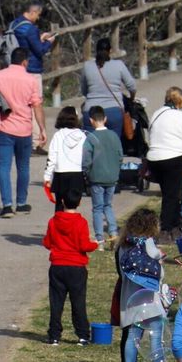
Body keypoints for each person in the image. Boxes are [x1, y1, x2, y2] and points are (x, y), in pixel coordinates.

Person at [0, 48, 47, 218]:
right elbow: (36, 106)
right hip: (24, 129)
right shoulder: (31, 80)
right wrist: (42, 129)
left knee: (4, 167)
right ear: (25, 62)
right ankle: (21, 203)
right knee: (23, 167)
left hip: (4, 128)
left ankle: (7, 205)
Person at [117, 210, 174, 362]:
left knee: (132, 339)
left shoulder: (123, 246)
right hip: (149, 301)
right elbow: (159, 275)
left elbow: (121, 273)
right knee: (156, 339)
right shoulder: (148, 243)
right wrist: (160, 262)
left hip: (129, 300)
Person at [44, 191, 97, 346]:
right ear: (79, 202)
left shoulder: (53, 221)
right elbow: (83, 245)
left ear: (62, 201)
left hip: (57, 265)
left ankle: (54, 335)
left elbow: (47, 243)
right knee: (78, 301)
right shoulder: (81, 222)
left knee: (56, 302)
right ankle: (82, 335)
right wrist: (94, 244)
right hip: (76, 267)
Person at [147, 88, 182, 236]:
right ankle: (166, 228)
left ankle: (175, 223)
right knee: (173, 195)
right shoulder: (180, 116)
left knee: (168, 192)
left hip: (155, 158)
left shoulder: (156, 113)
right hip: (174, 158)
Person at [80, 37, 137, 136]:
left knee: (92, 144)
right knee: (113, 144)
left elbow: (84, 91)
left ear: (96, 51)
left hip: (91, 111)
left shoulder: (87, 66)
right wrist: (131, 98)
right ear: (110, 51)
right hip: (113, 110)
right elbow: (132, 87)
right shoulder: (119, 65)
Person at [83, 106, 123, 245]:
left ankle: (99, 238)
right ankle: (113, 232)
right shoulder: (114, 136)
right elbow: (120, 156)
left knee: (97, 208)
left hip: (96, 177)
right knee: (108, 205)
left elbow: (86, 158)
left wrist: (86, 172)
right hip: (112, 177)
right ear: (105, 119)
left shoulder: (90, 138)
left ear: (91, 121)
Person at [9, 1, 59, 112]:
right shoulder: (31, 29)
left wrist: (39, 39)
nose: (38, 18)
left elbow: (25, 43)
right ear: (33, 12)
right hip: (31, 68)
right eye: (38, 15)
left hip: (15, 67)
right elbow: (40, 51)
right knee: (35, 102)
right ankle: (36, 128)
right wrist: (49, 42)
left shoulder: (13, 24)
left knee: (20, 102)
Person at [44, 106, 89, 210]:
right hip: (77, 174)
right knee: (73, 206)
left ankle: (60, 225)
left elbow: (52, 157)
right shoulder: (82, 135)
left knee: (59, 205)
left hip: (61, 174)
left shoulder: (58, 135)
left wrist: (47, 176)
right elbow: (86, 156)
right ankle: (72, 225)